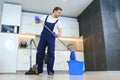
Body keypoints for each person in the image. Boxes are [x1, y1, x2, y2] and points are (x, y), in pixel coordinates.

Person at [35, 6, 62, 75]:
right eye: (59, 12)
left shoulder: (58, 21)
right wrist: (36, 19)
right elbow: (37, 22)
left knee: (51, 54)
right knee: (40, 52)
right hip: (43, 37)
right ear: (54, 11)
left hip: (51, 38)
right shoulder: (45, 17)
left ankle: (50, 70)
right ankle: (39, 70)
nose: (59, 14)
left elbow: (60, 31)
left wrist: (57, 35)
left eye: (60, 13)